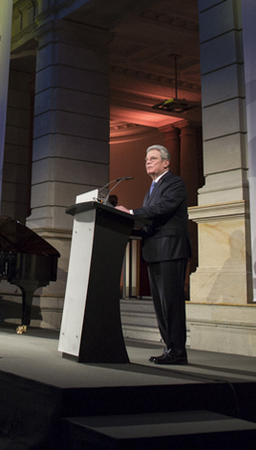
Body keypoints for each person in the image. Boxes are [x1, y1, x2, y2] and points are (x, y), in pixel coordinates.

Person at [116, 144, 191, 365]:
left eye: (153, 158)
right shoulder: (152, 186)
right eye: (146, 159)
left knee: (172, 302)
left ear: (166, 162)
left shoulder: (175, 182)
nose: (148, 162)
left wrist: (130, 212)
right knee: (160, 304)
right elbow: (150, 217)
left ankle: (178, 351)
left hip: (170, 249)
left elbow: (162, 209)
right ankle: (170, 348)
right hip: (155, 250)